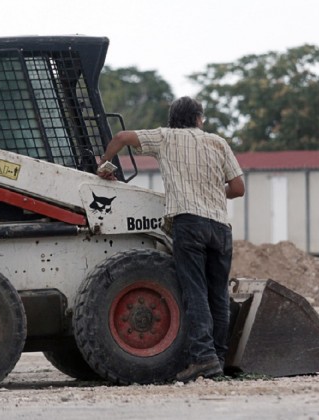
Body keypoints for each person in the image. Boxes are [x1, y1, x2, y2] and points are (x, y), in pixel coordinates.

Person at [97, 96, 245, 383]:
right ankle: (218, 358)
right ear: (199, 118)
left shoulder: (165, 137)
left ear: (172, 119)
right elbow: (238, 188)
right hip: (220, 227)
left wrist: (104, 164)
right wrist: (214, 192)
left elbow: (121, 137)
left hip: (189, 223)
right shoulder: (218, 143)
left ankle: (203, 360)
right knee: (218, 294)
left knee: (195, 292)